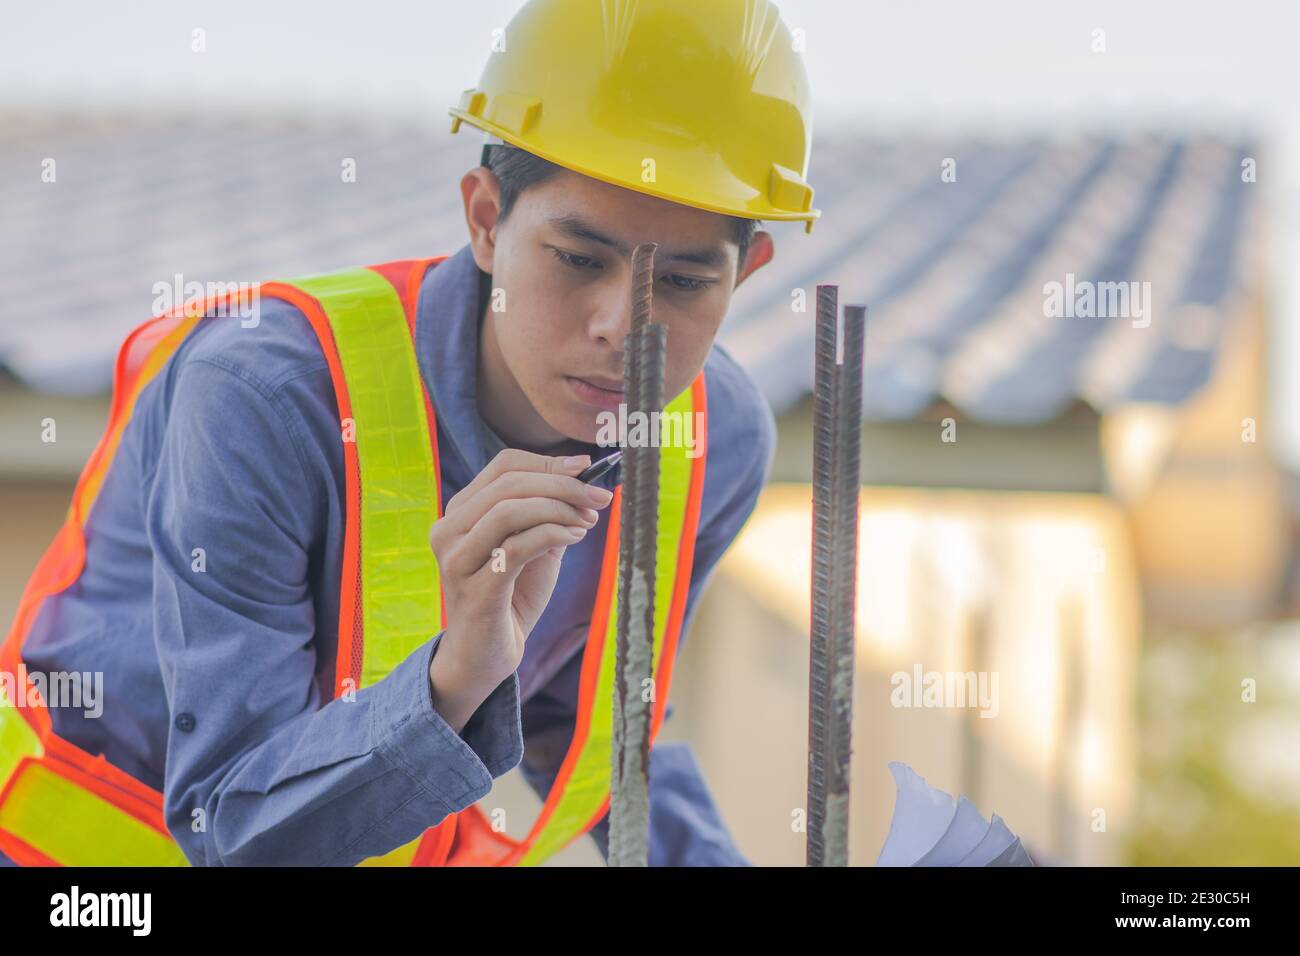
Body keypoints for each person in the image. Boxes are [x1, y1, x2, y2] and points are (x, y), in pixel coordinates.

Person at [0, 0, 819, 866]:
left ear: (749, 273)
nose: (622, 325)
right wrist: (456, 673)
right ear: (484, 219)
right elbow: (228, 822)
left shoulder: (711, 441)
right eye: (578, 260)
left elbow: (580, 727)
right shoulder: (261, 396)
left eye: (686, 282)